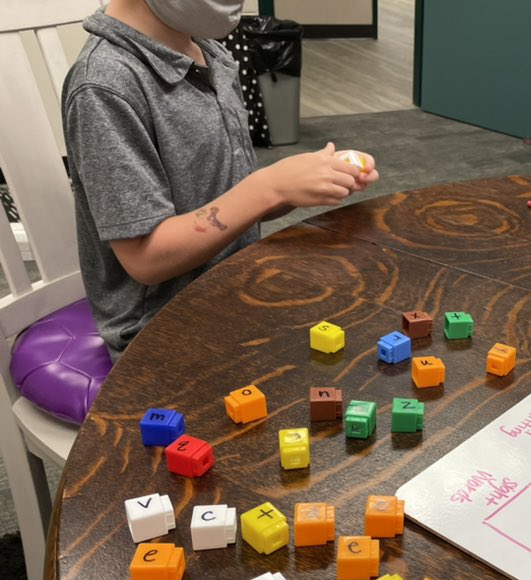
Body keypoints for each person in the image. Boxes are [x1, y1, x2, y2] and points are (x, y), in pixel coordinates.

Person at [61, 0, 379, 357]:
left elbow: (231, 199)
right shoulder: (104, 85)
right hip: (161, 330)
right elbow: (146, 259)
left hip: (235, 285)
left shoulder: (207, 52)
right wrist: (269, 187)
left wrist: (295, 185)